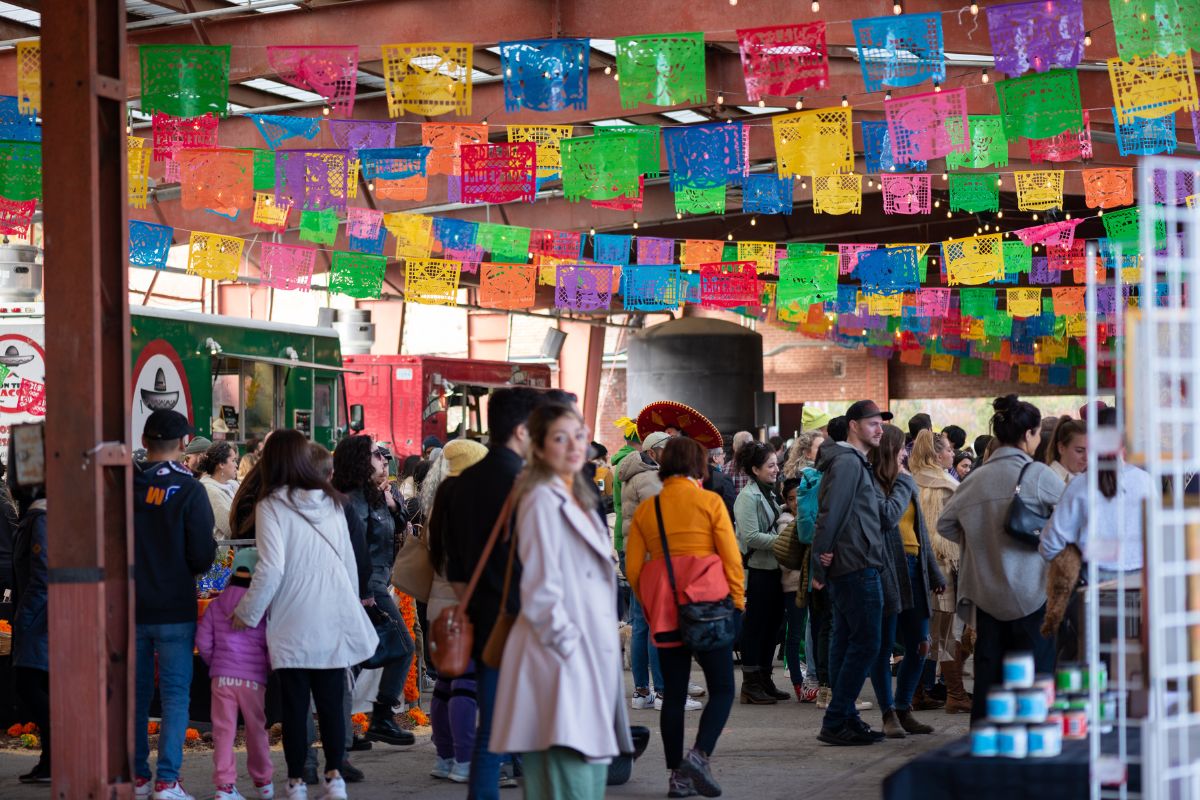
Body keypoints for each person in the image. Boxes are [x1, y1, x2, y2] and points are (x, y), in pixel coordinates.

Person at [490, 403, 633, 798]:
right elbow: (539, 591)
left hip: (580, 656)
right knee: (567, 779)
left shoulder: (575, 495)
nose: (574, 445)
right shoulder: (540, 499)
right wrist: (571, 647)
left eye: (579, 435)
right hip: (560, 657)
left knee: (578, 776)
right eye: (559, 437)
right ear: (537, 447)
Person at [234, 430, 378, 800]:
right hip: (331, 613)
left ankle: (296, 782)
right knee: (331, 703)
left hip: (293, 618)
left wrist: (246, 614)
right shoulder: (332, 501)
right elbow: (347, 560)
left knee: (295, 707)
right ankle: (335, 779)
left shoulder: (271, 505)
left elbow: (271, 568)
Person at [937, 395, 1066, 723]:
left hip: (986, 597)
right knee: (1033, 681)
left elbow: (945, 524)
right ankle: (1031, 751)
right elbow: (1071, 515)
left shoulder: (975, 478)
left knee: (989, 682)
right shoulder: (1037, 474)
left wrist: (981, 541)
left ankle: (986, 752)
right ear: (1028, 435)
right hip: (1033, 594)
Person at [627, 437, 744, 799]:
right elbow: (730, 557)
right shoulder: (709, 502)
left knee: (674, 694)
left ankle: (677, 777)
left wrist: (652, 602)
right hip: (709, 608)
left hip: (667, 610)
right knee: (723, 688)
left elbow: (633, 568)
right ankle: (699, 755)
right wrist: (738, 601)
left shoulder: (650, 509)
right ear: (698, 464)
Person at [443, 387, 544, 800]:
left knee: (493, 730)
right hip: (531, 624)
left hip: (486, 624)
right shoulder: (528, 484)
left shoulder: (459, 486)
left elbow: (455, 567)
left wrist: (481, 606)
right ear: (522, 430)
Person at [133, 410, 217, 800]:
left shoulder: (124, 484)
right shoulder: (190, 489)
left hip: (128, 608)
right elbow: (202, 555)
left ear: (146, 440)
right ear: (184, 443)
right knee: (174, 695)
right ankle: (166, 781)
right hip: (176, 609)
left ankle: (133, 775)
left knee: (132, 695)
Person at [811, 400, 893, 746]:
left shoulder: (853, 462)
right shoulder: (846, 462)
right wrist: (819, 561)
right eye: (873, 423)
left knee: (846, 642)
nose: (880, 429)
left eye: (881, 424)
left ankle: (846, 717)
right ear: (854, 425)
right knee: (867, 643)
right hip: (855, 564)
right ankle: (836, 719)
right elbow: (831, 512)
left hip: (855, 561)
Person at [331, 436, 415, 748]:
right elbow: (357, 549)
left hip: (377, 583)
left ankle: (349, 727)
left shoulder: (378, 495)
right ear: (359, 461)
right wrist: (365, 590)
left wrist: (394, 505)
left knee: (353, 657)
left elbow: (401, 528)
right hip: (365, 586)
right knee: (402, 646)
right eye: (375, 455)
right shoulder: (352, 499)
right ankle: (377, 718)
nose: (383, 459)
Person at [867, 426, 946, 738]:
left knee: (920, 645)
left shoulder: (906, 481)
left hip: (915, 568)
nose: (906, 454)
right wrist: (902, 482)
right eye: (902, 448)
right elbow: (887, 517)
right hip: (886, 570)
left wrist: (935, 573)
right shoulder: (872, 483)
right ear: (890, 449)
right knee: (883, 646)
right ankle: (887, 713)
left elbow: (921, 533)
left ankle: (904, 707)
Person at [620, 431, 698, 712]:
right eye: (668, 448)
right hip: (655, 560)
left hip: (639, 558)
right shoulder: (651, 480)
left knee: (642, 626)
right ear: (653, 452)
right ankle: (664, 692)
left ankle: (642, 691)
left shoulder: (636, 475)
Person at [426, 439, 489, 784]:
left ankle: (445, 756)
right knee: (465, 683)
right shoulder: (468, 504)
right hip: (461, 606)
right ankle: (463, 759)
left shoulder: (440, 500)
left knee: (446, 684)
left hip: (439, 605)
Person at [196, 548, 273, 800]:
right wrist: (267, 667)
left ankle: (225, 788)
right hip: (253, 680)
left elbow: (204, 642)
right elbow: (270, 642)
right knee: (256, 730)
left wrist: (217, 663)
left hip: (222, 679)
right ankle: (263, 783)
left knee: (223, 732)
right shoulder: (261, 605)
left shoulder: (217, 605)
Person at [909, 431, 971, 715]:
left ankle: (918, 691)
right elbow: (950, 533)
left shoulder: (911, 479)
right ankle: (953, 694)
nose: (952, 454)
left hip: (918, 565)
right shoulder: (945, 485)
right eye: (948, 450)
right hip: (943, 568)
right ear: (936, 455)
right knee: (944, 633)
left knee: (925, 632)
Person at [733, 440, 788, 705]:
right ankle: (751, 684)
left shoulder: (769, 493)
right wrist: (784, 541)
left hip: (772, 569)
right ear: (755, 469)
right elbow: (751, 536)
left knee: (772, 627)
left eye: (776, 464)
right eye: (770, 465)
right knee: (756, 628)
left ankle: (764, 678)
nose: (776, 469)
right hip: (757, 572)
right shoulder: (748, 497)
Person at [10, 463, 48, 784]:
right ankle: (51, 758)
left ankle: (57, 753)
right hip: (41, 618)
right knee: (35, 684)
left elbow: (42, 574)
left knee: (28, 683)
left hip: (39, 620)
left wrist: (24, 615)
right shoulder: (38, 518)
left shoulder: (39, 519)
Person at [198, 442, 240, 541]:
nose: (236, 465)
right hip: (225, 554)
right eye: (233, 460)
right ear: (221, 464)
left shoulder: (233, 485)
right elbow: (230, 527)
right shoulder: (209, 490)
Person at [1046, 417, 1087, 485]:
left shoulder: (1082, 478)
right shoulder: (1048, 480)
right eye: (1079, 451)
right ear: (1061, 448)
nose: (1086, 458)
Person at [702, 447, 736, 521]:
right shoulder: (723, 479)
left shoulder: (696, 475)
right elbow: (731, 508)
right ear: (715, 458)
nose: (724, 456)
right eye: (722, 453)